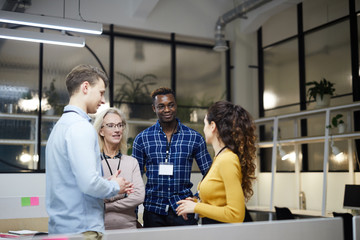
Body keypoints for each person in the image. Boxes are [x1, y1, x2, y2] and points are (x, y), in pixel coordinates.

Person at [45, 64, 133, 238]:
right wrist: (115, 186)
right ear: (85, 87)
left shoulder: (59, 127)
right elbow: (89, 183)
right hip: (82, 230)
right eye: (101, 92)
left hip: (61, 229)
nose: (102, 100)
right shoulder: (81, 127)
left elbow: (76, 180)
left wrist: (104, 182)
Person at [132, 87, 212, 227]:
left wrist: (197, 199)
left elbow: (210, 174)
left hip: (183, 211)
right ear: (154, 108)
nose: (167, 110)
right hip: (153, 211)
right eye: (161, 106)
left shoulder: (194, 138)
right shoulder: (142, 139)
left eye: (171, 105)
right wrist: (133, 215)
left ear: (176, 105)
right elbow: (134, 180)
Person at [176, 100, 257, 224]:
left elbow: (236, 214)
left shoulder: (227, 160)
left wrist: (197, 207)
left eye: (205, 124)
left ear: (212, 126)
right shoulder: (220, 158)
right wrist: (196, 204)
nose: (203, 129)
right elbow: (218, 203)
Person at [93, 107, 145, 229]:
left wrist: (107, 204)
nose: (117, 130)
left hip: (128, 230)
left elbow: (139, 196)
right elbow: (91, 197)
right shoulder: (93, 162)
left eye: (119, 125)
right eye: (110, 126)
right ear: (101, 131)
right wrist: (122, 193)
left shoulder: (131, 162)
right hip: (99, 230)